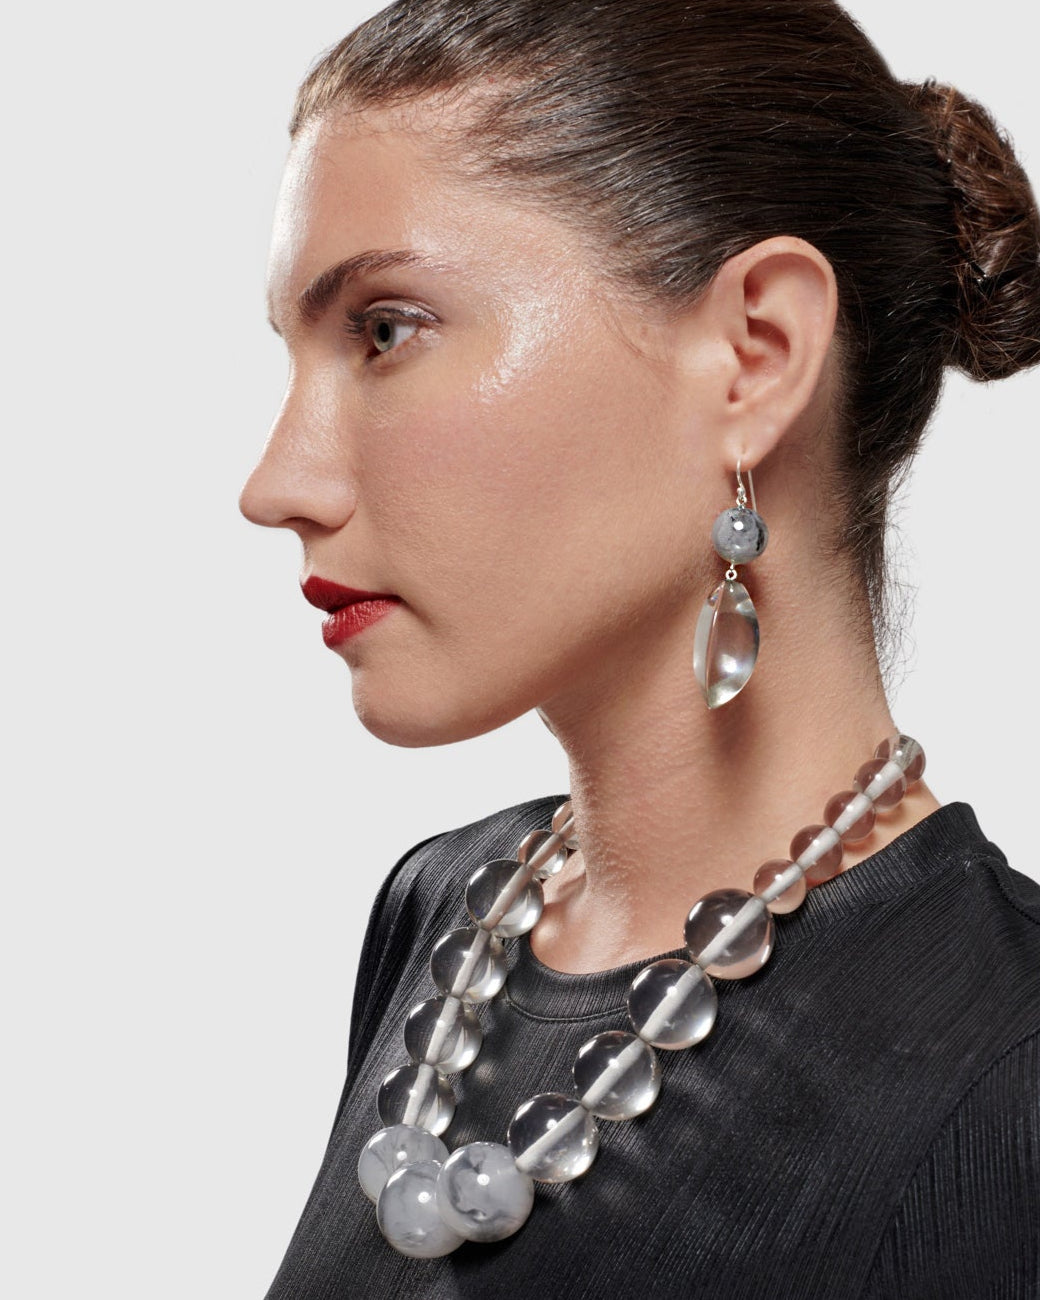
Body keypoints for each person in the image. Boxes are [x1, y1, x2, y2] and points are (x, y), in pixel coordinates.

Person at [238, 0, 1040, 1294]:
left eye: (385, 330)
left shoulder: (1005, 1075)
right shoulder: (442, 918)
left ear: (754, 356)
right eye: (297, 355)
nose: (276, 483)